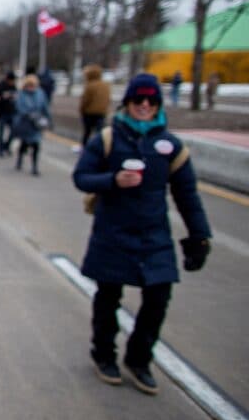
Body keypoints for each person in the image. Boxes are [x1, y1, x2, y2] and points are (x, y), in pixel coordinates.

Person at [72, 73, 211, 394]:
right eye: (138, 100)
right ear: (129, 102)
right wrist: (113, 180)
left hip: (154, 235)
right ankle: (104, 354)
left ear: (158, 104)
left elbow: (187, 195)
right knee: (108, 298)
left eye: (151, 100)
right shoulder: (108, 138)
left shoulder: (171, 147)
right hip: (113, 232)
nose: (145, 105)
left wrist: (199, 236)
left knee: (159, 298)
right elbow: (81, 177)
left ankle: (139, 358)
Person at [13, 74, 52, 176]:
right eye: (29, 86)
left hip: (36, 123)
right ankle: (19, 160)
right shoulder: (21, 94)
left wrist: (48, 120)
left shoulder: (40, 94)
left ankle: (34, 167)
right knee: (24, 144)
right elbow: (19, 107)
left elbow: (45, 107)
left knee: (36, 145)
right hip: (25, 123)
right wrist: (28, 114)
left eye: (33, 86)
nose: (31, 88)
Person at [79, 64, 112, 146]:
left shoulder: (90, 85)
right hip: (101, 112)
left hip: (89, 112)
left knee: (87, 131)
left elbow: (85, 100)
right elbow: (108, 99)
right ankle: (100, 147)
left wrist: (81, 109)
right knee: (100, 133)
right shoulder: (106, 85)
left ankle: (84, 147)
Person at [0, 70, 17, 157]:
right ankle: (0, 149)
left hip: (12, 112)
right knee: (1, 133)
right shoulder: (1, 86)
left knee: (14, 131)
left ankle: (6, 146)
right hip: (2, 113)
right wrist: (3, 97)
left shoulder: (14, 87)